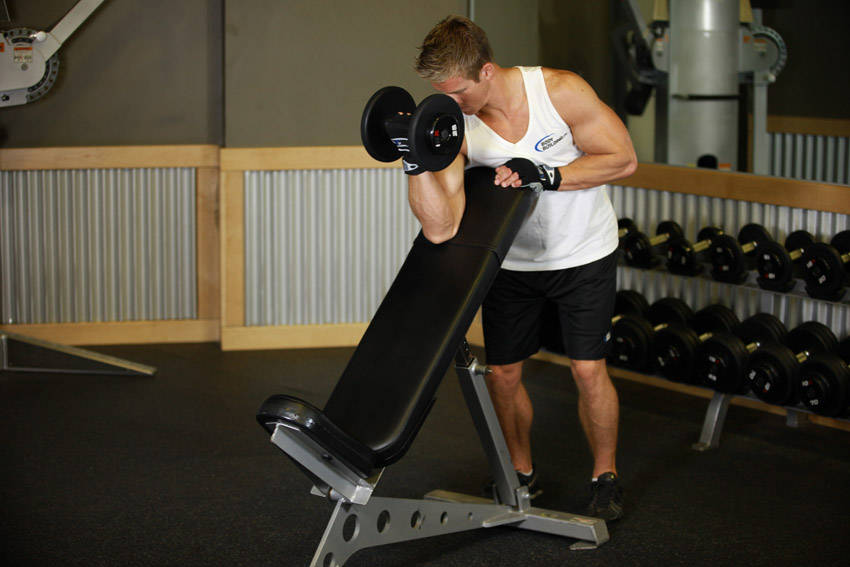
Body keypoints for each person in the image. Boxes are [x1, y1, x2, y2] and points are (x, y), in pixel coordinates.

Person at [400, 15, 638, 521]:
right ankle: (520, 472)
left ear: (486, 71)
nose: (452, 104)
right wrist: (415, 159)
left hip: (582, 254)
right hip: (511, 263)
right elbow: (441, 228)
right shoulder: (458, 123)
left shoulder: (560, 92)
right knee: (503, 375)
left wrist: (548, 173)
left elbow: (622, 159)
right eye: (443, 95)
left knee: (588, 369)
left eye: (459, 92)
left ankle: (605, 476)